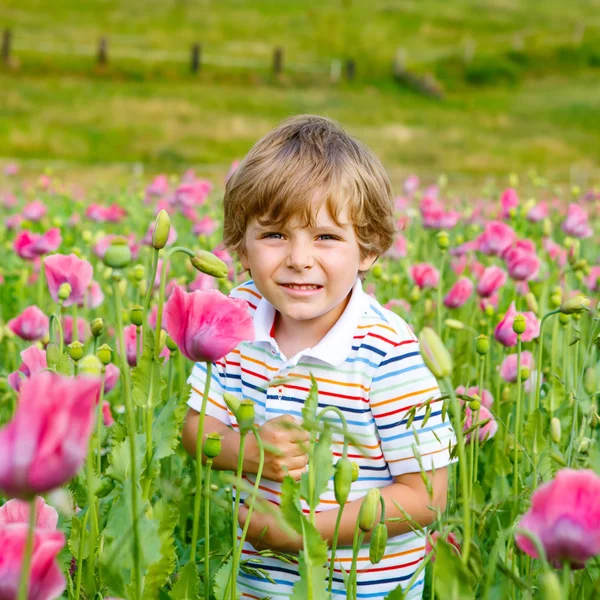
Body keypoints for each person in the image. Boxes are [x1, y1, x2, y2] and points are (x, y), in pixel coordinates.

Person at [182, 114, 455, 599]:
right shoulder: (235, 320)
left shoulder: (387, 352)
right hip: (256, 584)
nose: (299, 258)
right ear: (240, 247)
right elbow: (194, 428)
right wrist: (249, 452)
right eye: (274, 235)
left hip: (362, 590)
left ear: (368, 248)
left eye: (326, 237)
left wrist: (308, 534)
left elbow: (427, 497)